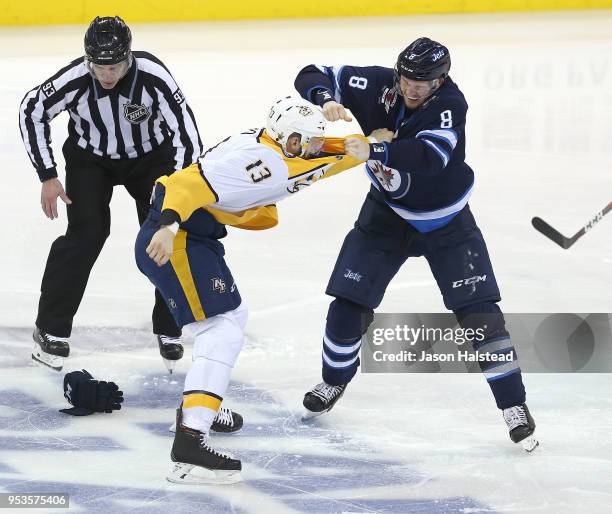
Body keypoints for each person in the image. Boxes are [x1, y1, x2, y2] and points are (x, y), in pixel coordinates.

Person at [294, 37, 538, 452]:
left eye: (423, 82)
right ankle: (333, 382)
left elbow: (429, 157)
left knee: (481, 316)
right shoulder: (378, 84)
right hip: (385, 215)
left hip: (446, 222)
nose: (412, 88)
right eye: (407, 78)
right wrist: (326, 98)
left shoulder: (450, 106)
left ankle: (513, 405)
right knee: (346, 307)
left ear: (441, 80)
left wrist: (373, 147)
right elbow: (310, 74)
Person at [135, 96, 367, 484]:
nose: (311, 146)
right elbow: (186, 183)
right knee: (220, 329)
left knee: (233, 318)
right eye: (305, 140)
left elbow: (321, 155)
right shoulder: (266, 166)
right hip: (178, 239)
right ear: (289, 140)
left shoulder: (263, 141)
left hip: (197, 238)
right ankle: (192, 436)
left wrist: (359, 145)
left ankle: (205, 403)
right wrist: (169, 224)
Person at [19, 16, 202, 373]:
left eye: (114, 66)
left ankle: (169, 326)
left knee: (163, 236)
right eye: (98, 66)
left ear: (128, 58)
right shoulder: (76, 79)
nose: (106, 74)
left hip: (151, 160)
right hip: (90, 161)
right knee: (85, 236)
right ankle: (50, 328)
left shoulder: (153, 76)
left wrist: (177, 196)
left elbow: (187, 134)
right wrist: (47, 174)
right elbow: (32, 108)